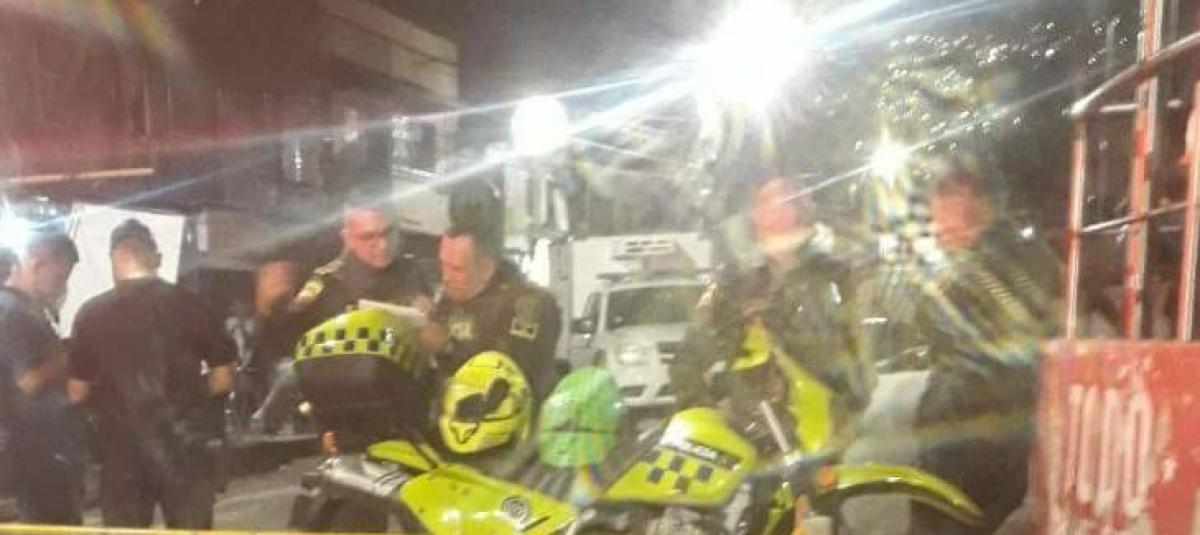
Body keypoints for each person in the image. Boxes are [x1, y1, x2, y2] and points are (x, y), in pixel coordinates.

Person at [907, 167, 1059, 534]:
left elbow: (941, 321)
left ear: (971, 204)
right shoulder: (1010, 256)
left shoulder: (993, 264)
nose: (938, 226)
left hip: (974, 440)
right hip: (973, 436)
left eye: (943, 212)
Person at [68, 219, 236, 529]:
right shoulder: (191, 304)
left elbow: (77, 392)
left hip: (122, 454)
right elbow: (223, 378)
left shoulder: (90, 314)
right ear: (155, 257)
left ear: (114, 259)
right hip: (185, 448)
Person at [670, 176, 872, 423]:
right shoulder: (736, 286)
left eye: (777, 206)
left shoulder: (834, 276)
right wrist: (706, 416)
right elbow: (686, 362)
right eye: (763, 206)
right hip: (758, 429)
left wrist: (852, 401)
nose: (763, 215)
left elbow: (856, 348)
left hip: (827, 423)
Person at [254, 197, 429, 432]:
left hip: (404, 383)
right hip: (346, 387)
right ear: (348, 238)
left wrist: (429, 317)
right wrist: (279, 306)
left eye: (388, 232)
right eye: (368, 237)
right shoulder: (328, 278)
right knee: (291, 372)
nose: (382, 245)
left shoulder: (413, 272)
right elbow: (294, 319)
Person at [0, 231, 83, 525]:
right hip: (36, 453)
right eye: (60, 277)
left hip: (44, 448)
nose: (63, 286)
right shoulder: (12, 313)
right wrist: (67, 356)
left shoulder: (26, 309)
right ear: (38, 265)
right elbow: (27, 382)